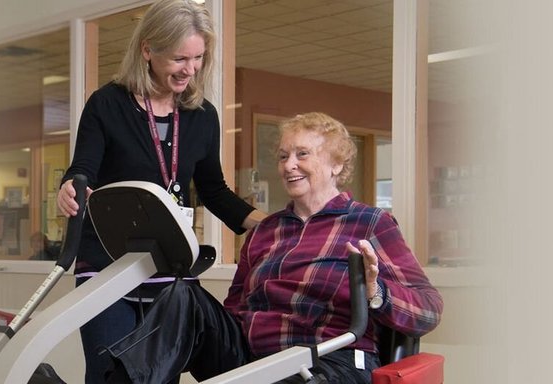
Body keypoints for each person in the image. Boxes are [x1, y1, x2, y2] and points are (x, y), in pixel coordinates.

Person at [104, 112, 443, 384]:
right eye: (283, 156)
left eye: (302, 155)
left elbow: (429, 309)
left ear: (336, 165)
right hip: (253, 358)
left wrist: (377, 292)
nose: (288, 165)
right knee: (183, 295)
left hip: (328, 359)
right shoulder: (265, 232)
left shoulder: (370, 224)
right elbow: (236, 309)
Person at [56, 1, 266, 382]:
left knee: (159, 375)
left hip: (168, 269)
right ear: (148, 50)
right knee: (110, 374)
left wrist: (266, 224)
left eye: (199, 57)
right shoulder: (107, 104)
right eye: (179, 58)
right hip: (107, 267)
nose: (190, 69)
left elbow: (214, 191)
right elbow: (81, 170)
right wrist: (70, 187)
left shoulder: (202, 116)